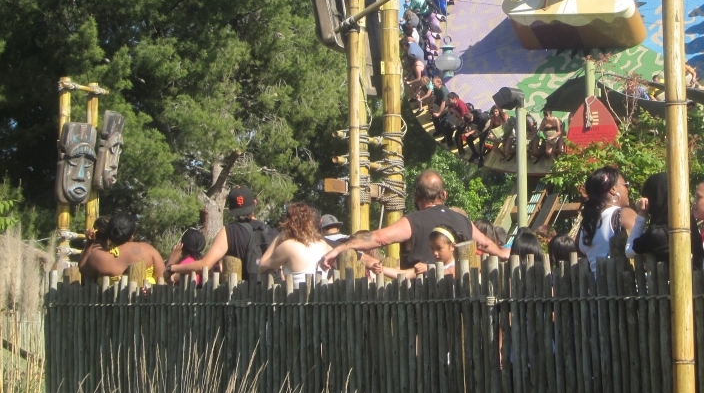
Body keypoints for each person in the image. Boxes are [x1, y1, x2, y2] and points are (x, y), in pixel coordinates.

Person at [320, 170, 510, 273]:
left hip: (426, 298)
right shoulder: (463, 219)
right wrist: (502, 253)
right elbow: (485, 243)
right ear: (444, 195)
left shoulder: (414, 220)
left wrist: (339, 248)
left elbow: (379, 238)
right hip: (462, 295)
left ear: (415, 196)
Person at [167, 186, 279, 282]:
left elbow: (204, 265)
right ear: (255, 203)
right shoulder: (274, 232)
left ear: (231, 209)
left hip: (244, 296)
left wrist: (173, 268)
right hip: (275, 296)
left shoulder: (228, 231)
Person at [577, 166, 638, 273]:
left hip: (597, 288)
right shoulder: (624, 215)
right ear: (613, 189)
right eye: (625, 185)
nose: (628, 189)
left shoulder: (585, 225)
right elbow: (641, 247)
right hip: (626, 286)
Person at [79, 213, 165, 285]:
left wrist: (89, 243)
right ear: (131, 233)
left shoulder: (99, 256)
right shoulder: (148, 249)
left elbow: (82, 267)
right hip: (148, 303)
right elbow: (162, 280)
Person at [258, 203, 332, 286]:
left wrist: (279, 236)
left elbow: (262, 265)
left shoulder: (288, 246)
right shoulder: (323, 244)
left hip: (295, 297)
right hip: (321, 296)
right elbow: (340, 263)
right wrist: (329, 283)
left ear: (289, 222)